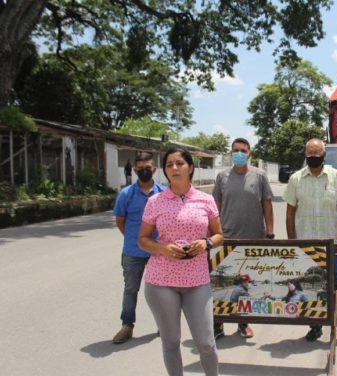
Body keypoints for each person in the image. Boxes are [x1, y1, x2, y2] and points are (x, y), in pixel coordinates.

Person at [138, 147, 224, 376]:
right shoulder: (155, 202)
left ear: (190, 168)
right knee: (171, 341)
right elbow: (143, 240)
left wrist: (206, 243)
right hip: (161, 281)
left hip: (197, 280)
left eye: (179, 163)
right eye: (169, 165)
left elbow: (219, 235)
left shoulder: (205, 200)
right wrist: (162, 249)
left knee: (205, 343)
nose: (174, 168)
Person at [284, 138, 337, 347]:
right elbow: (290, 214)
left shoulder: (336, 177)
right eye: (309, 155)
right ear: (305, 155)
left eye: (317, 155)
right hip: (306, 245)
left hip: (331, 244)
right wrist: (293, 245)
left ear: (324, 156)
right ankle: (315, 325)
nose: (313, 158)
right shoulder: (296, 179)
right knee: (310, 287)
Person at [212, 137, 273, 340]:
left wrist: (269, 232)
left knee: (245, 286)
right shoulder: (222, 177)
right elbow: (215, 208)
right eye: (236, 150)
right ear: (231, 153)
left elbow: (267, 204)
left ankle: (243, 324)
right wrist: (211, 234)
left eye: (243, 150)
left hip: (253, 240)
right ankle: (218, 324)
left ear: (250, 154)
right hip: (226, 239)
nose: (239, 153)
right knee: (220, 284)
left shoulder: (260, 175)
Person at [112, 152, 165, 344]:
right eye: (140, 168)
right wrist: (135, 239)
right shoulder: (126, 194)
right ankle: (127, 326)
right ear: (134, 170)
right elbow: (120, 221)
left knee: (162, 291)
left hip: (158, 252)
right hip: (133, 252)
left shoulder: (164, 193)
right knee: (130, 289)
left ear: (154, 170)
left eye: (148, 168)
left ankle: (163, 326)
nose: (144, 171)